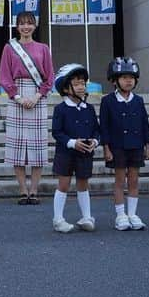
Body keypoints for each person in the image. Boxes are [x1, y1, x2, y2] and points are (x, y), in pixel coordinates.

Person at [0, 10, 55, 205]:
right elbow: (4, 76)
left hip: (38, 95)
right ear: (17, 26)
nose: (26, 27)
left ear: (35, 26)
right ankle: (23, 190)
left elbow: (49, 77)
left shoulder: (43, 48)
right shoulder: (9, 48)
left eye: (29, 23)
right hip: (17, 96)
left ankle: (34, 190)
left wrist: (38, 95)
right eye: (22, 23)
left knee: (38, 146)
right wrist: (18, 97)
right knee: (18, 146)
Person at [100, 57, 149, 231]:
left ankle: (132, 214)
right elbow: (104, 126)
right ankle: (120, 215)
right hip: (117, 146)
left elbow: (144, 123)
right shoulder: (108, 101)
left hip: (136, 145)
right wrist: (106, 148)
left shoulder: (138, 100)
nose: (128, 81)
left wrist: (147, 144)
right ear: (115, 80)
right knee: (120, 180)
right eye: (123, 77)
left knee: (134, 180)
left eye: (131, 77)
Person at [50, 63, 101, 233]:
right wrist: (72, 142)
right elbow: (57, 132)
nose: (81, 87)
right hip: (66, 153)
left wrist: (95, 141)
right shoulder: (61, 109)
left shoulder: (89, 108)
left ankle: (86, 217)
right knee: (63, 184)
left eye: (83, 83)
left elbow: (96, 129)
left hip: (85, 153)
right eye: (77, 83)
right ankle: (58, 219)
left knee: (83, 184)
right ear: (65, 88)